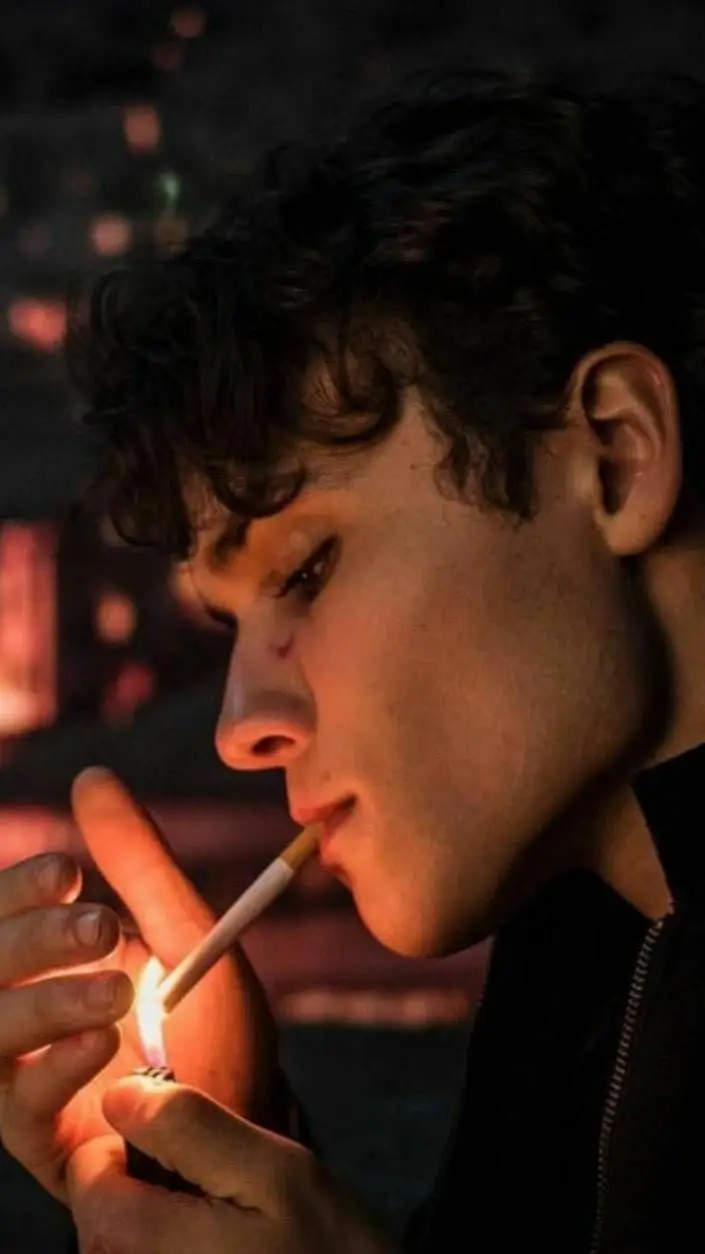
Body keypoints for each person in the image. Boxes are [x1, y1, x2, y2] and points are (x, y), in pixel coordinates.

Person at [1, 65, 705, 1252]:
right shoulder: (580, 942)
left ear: (615, 456)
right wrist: (233, 1144)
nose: (240, 727)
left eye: (309, 568)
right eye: (227, 623)